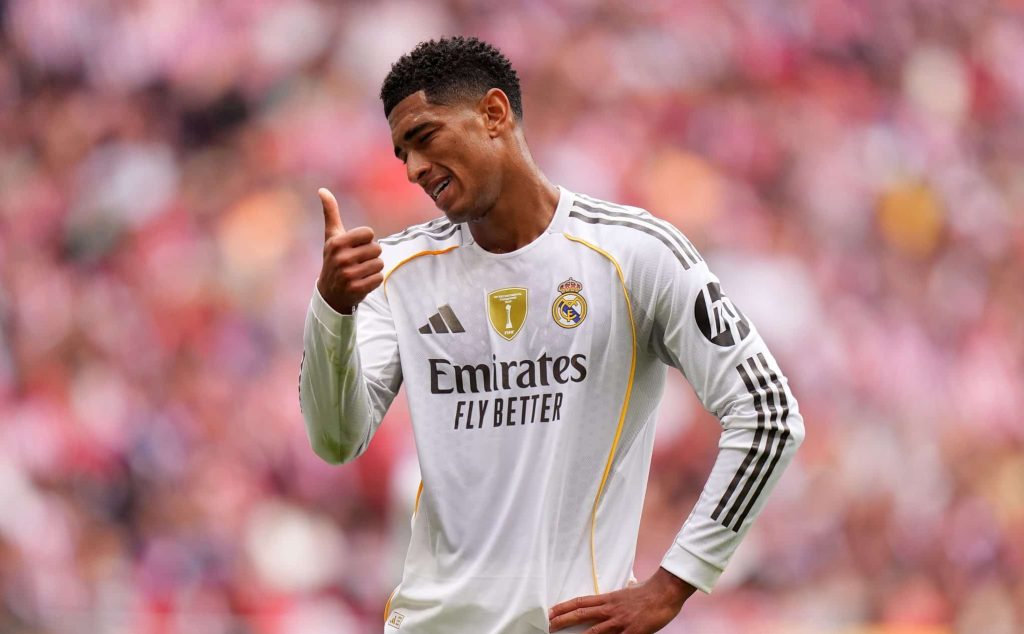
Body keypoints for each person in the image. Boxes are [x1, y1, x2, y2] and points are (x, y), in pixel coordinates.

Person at [300, 36, 804, 634]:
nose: (411, 170)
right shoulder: (397, 273)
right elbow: (336, 441)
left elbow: (768, 414)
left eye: (425, 138)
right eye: (401, 153)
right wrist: (332, 309)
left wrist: (673, 584)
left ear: (493, 113)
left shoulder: (634, 254)